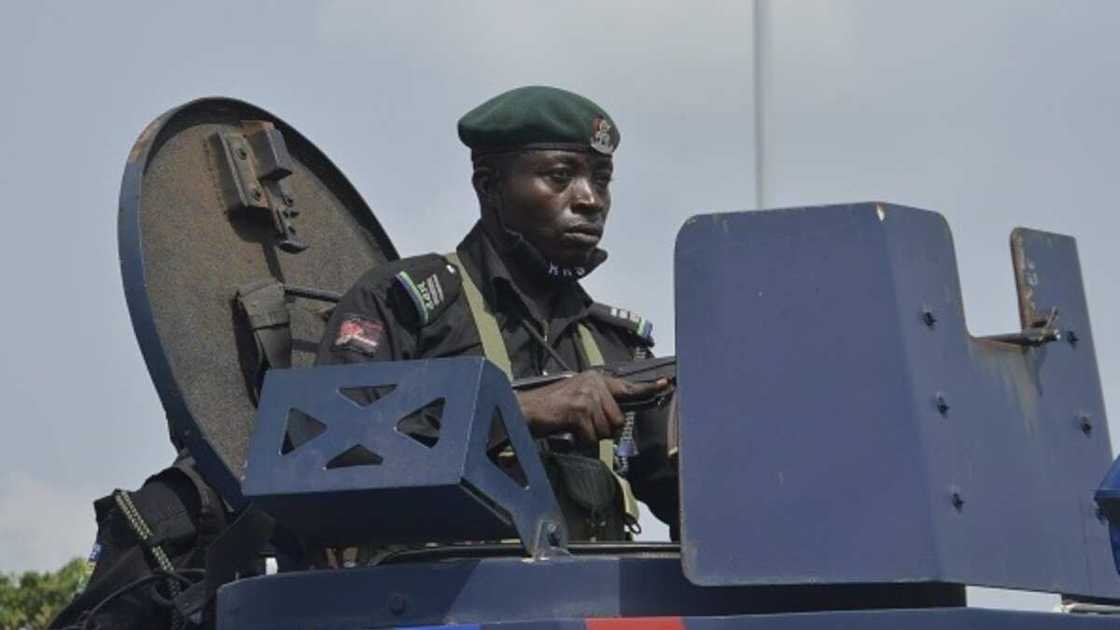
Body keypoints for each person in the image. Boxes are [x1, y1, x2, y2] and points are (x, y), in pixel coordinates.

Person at [317, 85, 678, 540]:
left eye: (601, 179)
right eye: (561, 176)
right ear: (488, 185)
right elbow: (329, 446)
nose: (590, 199)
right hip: (436, 600)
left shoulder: (616, 345)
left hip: (590, 601)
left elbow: (698, 504)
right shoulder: (406, 305)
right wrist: (514, 411)